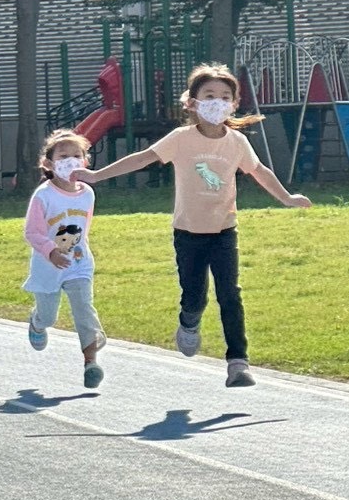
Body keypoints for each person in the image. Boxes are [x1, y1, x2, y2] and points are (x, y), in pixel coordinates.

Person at [74, 64, 310, 387]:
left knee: (230, 294)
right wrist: (97, 175)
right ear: (193, 103)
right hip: (188, 234)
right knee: (195, 296)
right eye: (209, 96)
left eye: (224, 97)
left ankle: (238, 363)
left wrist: (287, 197)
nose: (217, 102)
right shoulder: (181, 139)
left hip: (224, 231)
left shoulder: (237, 142)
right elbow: (142, 158)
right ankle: (189, 321)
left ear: (233, 104)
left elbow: (259, 171)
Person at [23, 129, 107, 389]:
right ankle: (37, 322)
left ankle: (90, 363)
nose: (70, 161)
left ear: (85, 161)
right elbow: (32, 232)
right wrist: (51, 251)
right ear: (48, 164)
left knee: (84, 309)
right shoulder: (43, 195)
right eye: (63, 156)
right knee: (49, 316)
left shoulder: (87, 193)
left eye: (76, 155)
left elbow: (83, 228)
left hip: (78, 264)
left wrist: (76, 251)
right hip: (48, 266)